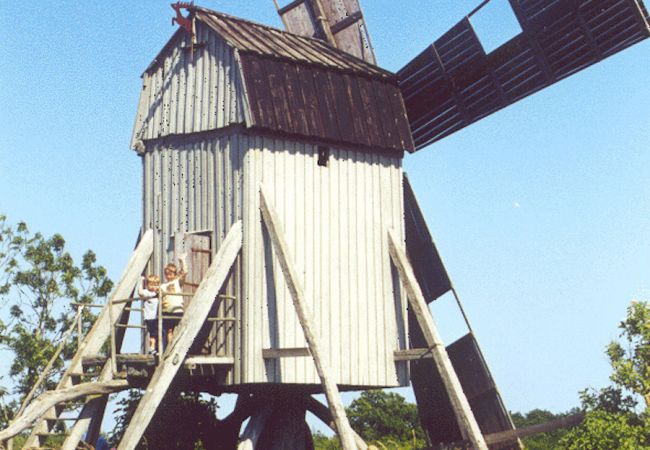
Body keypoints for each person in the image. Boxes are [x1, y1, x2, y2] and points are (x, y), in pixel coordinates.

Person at [161, 254, 188, 344]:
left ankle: (179, 345)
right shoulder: (163, 286)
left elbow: (185, 272)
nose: (169, 276)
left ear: (174, 274)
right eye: (167, 274)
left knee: (180, 329)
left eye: (171, 274)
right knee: (169, 330)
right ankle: (170, 347)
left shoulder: (177, 282)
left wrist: (182, 260)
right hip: (167, 311)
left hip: (177, 311)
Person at [138, 274, 160, 355]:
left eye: (155, 284)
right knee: (153, 334)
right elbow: (140, 292)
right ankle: (152, 348)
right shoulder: (147, 292)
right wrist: (141, 281)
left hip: (156, 317)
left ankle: (154, 348)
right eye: (151, 284)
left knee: (156, 333)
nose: (153, 287)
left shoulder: (157, 293)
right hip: (150, 317)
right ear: (147, 285)